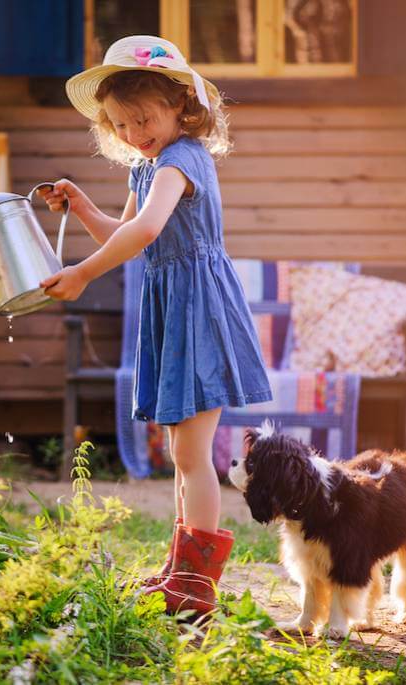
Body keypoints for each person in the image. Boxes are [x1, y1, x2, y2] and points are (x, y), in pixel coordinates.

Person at [38, 35, 273, 616]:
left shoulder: (183, 159)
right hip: (173, 310)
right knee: (179, 449)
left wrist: (84, 274)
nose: (133, 132)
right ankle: (179, 570)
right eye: (120, 124)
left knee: (193, 453)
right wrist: (83, 207)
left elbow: (143, 233)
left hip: (199, 310)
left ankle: (196, 589)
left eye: (143, 117)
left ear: (181, 107)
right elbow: (128, 234)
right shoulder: (148, 169)